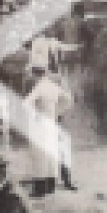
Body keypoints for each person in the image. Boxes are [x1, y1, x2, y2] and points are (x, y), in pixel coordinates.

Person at [23, 65, 77, 194]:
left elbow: (25, 104)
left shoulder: (39, 87)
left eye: (33, 75)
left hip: (41, 125)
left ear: (36, 74)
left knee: (40, 155)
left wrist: (35, 115)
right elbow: (68, 100)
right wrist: (57, 112)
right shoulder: (52, 87)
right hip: (52, 123)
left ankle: (40, 189)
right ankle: (51, 186)